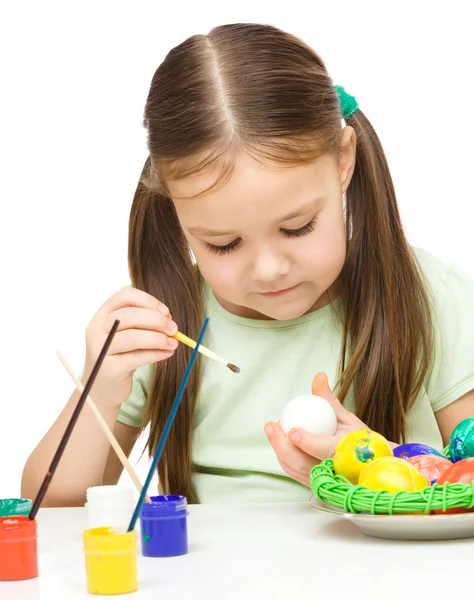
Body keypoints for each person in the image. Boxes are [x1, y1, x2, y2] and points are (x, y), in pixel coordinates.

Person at [22, 23, 474, 506]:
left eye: (297, 227)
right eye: (223, 243)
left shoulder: (428, 296)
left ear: (343, 161)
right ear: (175, 207)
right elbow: (49, 511)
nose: (267, 269)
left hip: (393, 581)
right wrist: (99, 392)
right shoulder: (166, 329)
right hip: (205, 582)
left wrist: (378, 464)